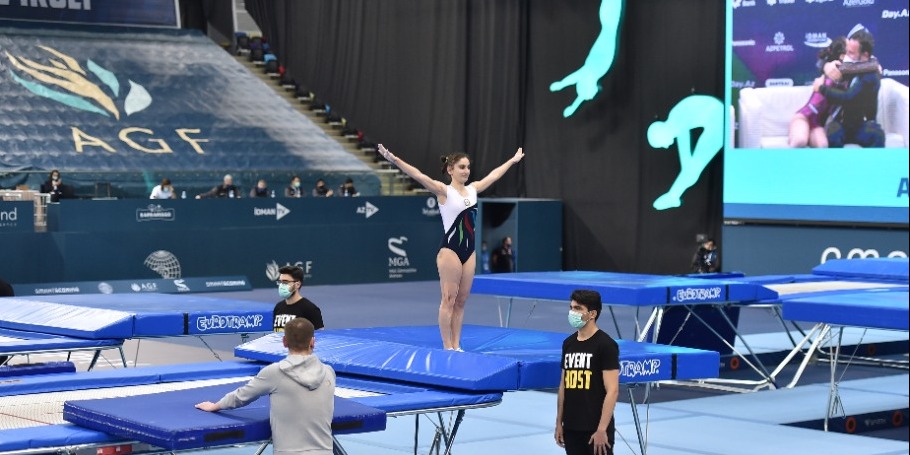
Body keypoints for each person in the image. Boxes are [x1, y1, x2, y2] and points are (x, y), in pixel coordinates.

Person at [378, 143, 524, 351]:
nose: (466, 171)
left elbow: (493, 176)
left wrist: (512, 161)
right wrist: (393, 159)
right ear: (450, 170)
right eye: (462, 167)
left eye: (468, 167)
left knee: (461, 301)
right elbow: (418, 175)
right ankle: (447, 345)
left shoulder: (473, 190)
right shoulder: (443, 191)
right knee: (448, 299)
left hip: (469, 250)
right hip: (450, 250)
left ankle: (456, 344)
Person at [195, 318, 335, 455]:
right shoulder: (328, 372)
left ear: (284, 342)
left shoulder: (275, 372)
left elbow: (242, 396)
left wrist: (216, 406)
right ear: (313, 342)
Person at [555, 289, 619, 455]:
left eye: (578, 309)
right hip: (571, 427)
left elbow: (612, 390)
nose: (572, 312)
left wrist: (602, 429)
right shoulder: (568, 344)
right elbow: (563, 386)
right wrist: (559, 423)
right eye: (571, 307)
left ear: (592, 314)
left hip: (595, 429)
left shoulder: (606, 345)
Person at [647, 95, 724, 210]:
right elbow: (687, 166)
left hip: (718, 117)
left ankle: (672, 196)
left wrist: (687, 173)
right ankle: (672, 196)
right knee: (692, 170)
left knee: (693, 168)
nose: (666, 147)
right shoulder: (675, 120)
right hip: (716, 117)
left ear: (662, 135)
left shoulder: (677, 122)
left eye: (662, 144)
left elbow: (687, 163)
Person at [814, 26, 884, 148]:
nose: (847, 55)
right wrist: (826, 66)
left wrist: (821, 88)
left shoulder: (871, 75)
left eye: (851, 53)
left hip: (862, 125)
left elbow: (848, 97)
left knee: (877, 134)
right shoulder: (854, 66)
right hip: (842, 124)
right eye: (847, 51)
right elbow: (822, 63)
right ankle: (837, 166)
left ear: (865, 55)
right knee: (833, 132)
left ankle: (873, 166)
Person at [788, 37, 848, 148]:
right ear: (842, 56)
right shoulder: (830, 73)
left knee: (823, 145)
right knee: (800, 141)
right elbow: (822, 64)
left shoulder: (850, 78)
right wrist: (826, 66)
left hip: (818, 124)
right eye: (851, 51)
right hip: (803, 117)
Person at [273, 265, 324, 332]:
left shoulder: (310, 309)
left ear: (297, 284)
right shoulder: (278, 307)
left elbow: (321, 337)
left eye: (285, 282)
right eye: (280, 282)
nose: (281, 285)